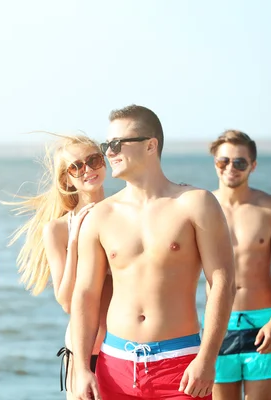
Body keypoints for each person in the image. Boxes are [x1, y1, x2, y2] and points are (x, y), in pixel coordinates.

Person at [70, 105, 236, 400]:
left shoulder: (196, 203)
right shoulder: (101, 216)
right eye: (107, 145)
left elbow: (222, 282)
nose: (110, 152)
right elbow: (85, 294)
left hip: (182, 367)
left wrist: (208, 359)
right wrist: (81, 368)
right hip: (115, 366)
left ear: (150, 145)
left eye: (118, 144)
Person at [4, 133, 113, 397]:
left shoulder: (122, 213)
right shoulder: (58, 230)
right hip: (83, 351)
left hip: (125, 346)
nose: (87, 170)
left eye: (94, 160)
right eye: (76, 166)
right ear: (66, 178)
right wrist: (75, 241)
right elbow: (65, 301)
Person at [207, 130, 271, 400]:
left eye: (240, 162)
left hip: (263, 323)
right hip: (217, 324)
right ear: (215, 163)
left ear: (252, 166)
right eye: (224, 161)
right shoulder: (203, 208)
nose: (230, 168)